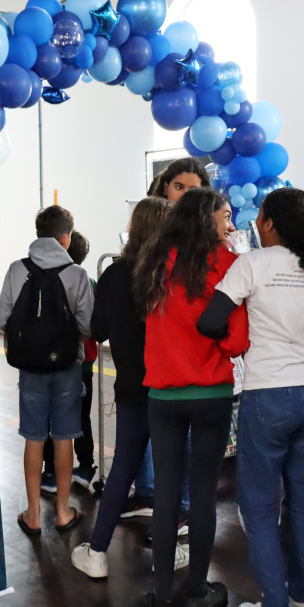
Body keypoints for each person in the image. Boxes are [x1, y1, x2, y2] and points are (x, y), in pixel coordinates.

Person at [198, 188, 304, 607]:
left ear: (270, 224)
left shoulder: (252, 263)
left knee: (258, 505)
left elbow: (211, 321)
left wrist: (243, 344)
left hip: (269, 394)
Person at [130, 187, 248, 607]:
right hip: (212, 393)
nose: (229, 220)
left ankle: (160, 600)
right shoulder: (229, 264)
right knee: (203, 494)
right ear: (207, 218)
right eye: (224, 213)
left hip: (162, 397)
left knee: (165, 497)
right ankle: (198, 592)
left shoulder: (155, 262)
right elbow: (237, 341)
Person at [71, 196, 192, 579]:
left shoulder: (114, 274)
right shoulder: (177, 273)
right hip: (173, 386)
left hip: (131, 386)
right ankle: (167, 555)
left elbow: (99, 329)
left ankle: (98, 552)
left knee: (123, 467)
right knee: (173, 471)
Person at [0, 206, 94, 536]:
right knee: (64, 437)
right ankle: (64, 512)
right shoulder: (76, 273)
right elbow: (88, 325)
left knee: (34, 438)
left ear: (38, 234)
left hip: (30, 369)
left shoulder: (16, 270)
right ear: (66, 238)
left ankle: (34, 514)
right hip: (67, 367)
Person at [128, 157, 211, 529]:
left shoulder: (211, 244)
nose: (185, 197)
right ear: (165, 188)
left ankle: (184, 510)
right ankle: (162, 502)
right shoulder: (153, 248)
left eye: (194, 190)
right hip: (162, 365)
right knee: (162, 439)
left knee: (190, 442)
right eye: (179, 187)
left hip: (200, 366)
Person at [41, 231, 97, 493]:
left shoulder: (48, 279)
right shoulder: (90, 281)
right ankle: (85, 468)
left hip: (54, 363)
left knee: (53, 420)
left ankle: (51, 474)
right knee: (82, 418)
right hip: (84, 365)